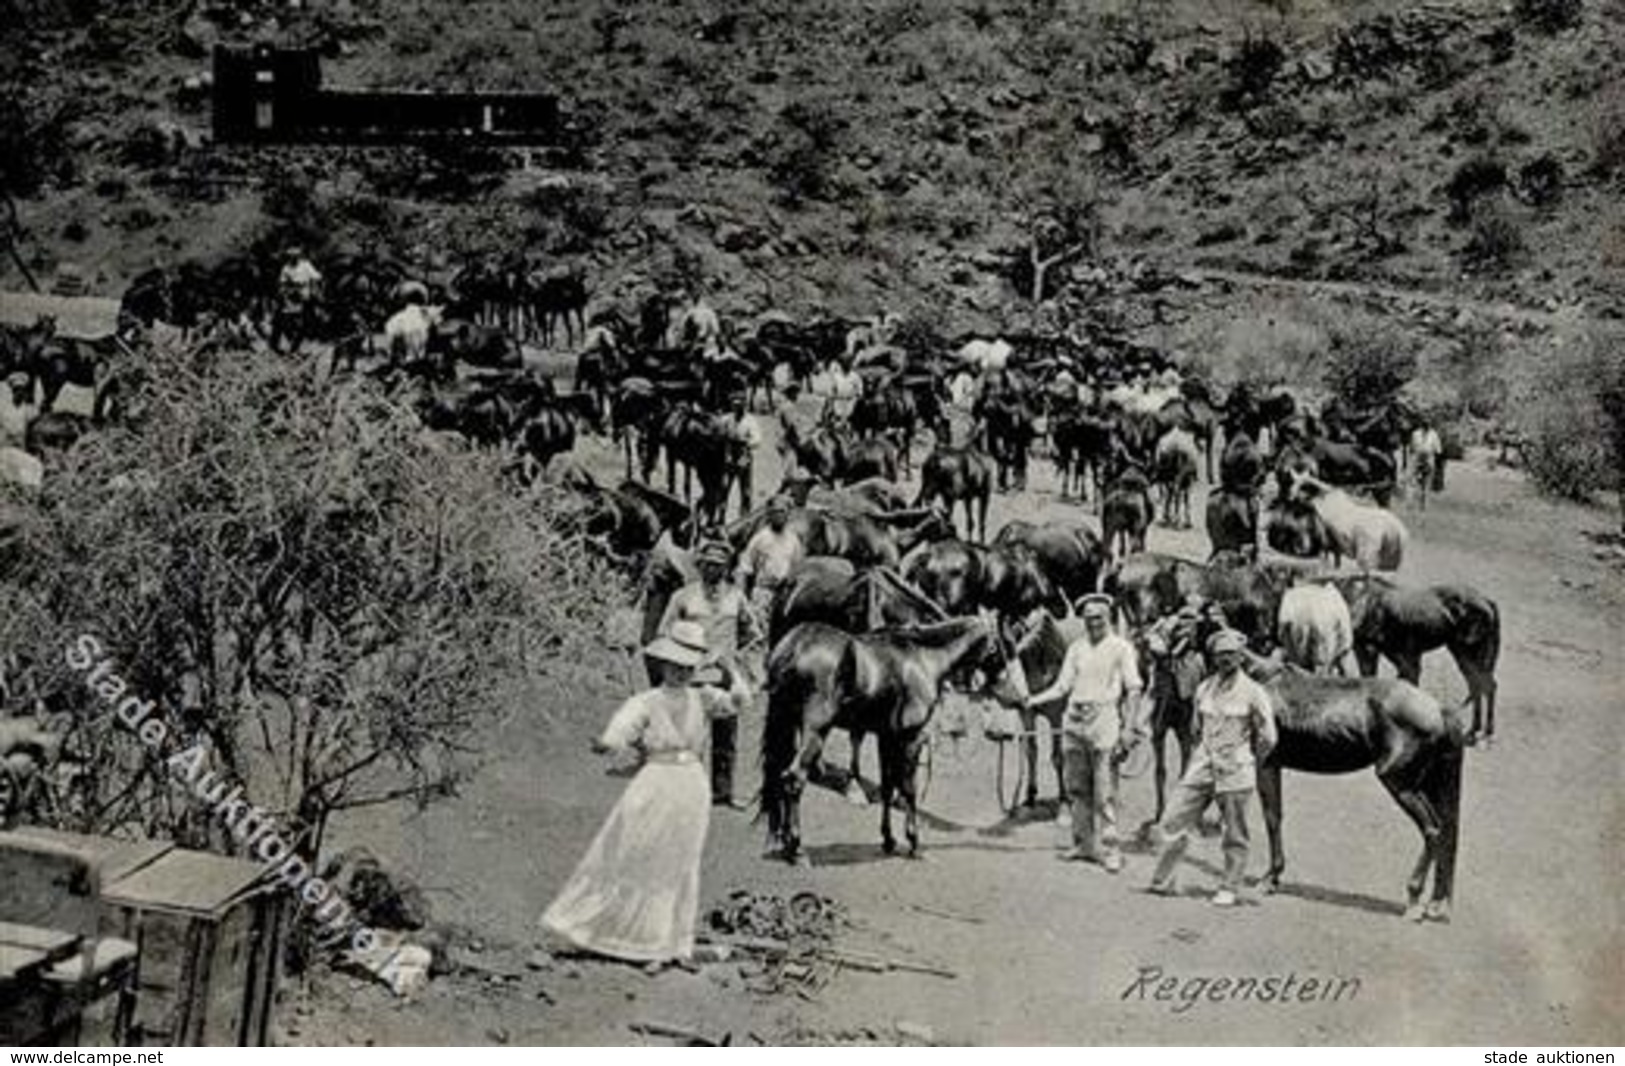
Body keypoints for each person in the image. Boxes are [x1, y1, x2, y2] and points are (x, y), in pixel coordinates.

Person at [539, 621, 750, 967]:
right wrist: (608, 743)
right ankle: (608, 932)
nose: (680, 673)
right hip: (655, 781)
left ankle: (665, 941)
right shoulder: (646, 701)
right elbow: (622, 729)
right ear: (663, 665)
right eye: (674, 666)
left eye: (687, 667)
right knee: (632, 850)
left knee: (680, 859)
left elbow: (741, 701)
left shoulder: (704, 698)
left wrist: (728, 668)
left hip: (691, 785)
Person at [1148, 628, 1277, 907]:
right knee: (1172, 819)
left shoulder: (1254, 693)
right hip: (1203, 765)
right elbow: (1196, 728)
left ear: (1241, 657)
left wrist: (1248, 759)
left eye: (1231, 655)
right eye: (1220, 656)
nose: (1225, 661)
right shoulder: (1204, 688)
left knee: (1235, 832)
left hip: (1235, 770)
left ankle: (1229, 886)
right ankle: (1163, 879)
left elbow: (1268, 736)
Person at [1024, 593, 1145, 873]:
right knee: (1077, 787)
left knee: (1105, 790)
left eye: (1098, 618)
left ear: (1108, 618)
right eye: (1088, 619)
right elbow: (1062, 687)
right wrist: (1033, 700)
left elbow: (1134, 689)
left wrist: (1129, 728)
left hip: (1104, 718)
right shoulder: (1077, 648)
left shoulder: (1121, 648)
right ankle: (1083, 844)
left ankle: (1111, 847)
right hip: (1074, 720)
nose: (1093, 623)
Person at [658, 541, 761, 808]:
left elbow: (754, 634)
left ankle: (722, 793)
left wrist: (737, 657)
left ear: (726, 568)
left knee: (726, 738)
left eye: (718, 565)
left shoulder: (737, 597)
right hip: (691, 676)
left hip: (725, 676)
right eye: (707, 564)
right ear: (699, 565)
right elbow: (664, 632)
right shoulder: (683, 597)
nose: (712, 569)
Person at [737, 496, 805, 625]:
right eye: (775, 512)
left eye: (782, 512)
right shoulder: (760, 538)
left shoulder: (793, 540)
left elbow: (798, 568)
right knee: (760, 631)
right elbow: (744, 568)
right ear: (769, 515)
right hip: (763, 593)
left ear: (788, 515)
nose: (779, 516)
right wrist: (743, 600)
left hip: (784, 595)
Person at [725, 394, 762, 518]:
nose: (736, 407)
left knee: (745, 490)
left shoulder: (750, 420)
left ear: (744, 406)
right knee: (724, 488)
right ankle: (719, 518)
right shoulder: (728, 419)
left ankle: (744, 518)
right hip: (729, 455)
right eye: (734, 405)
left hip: (744, 455)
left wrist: (746, 442)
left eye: (739, 405)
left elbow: (757, 440)